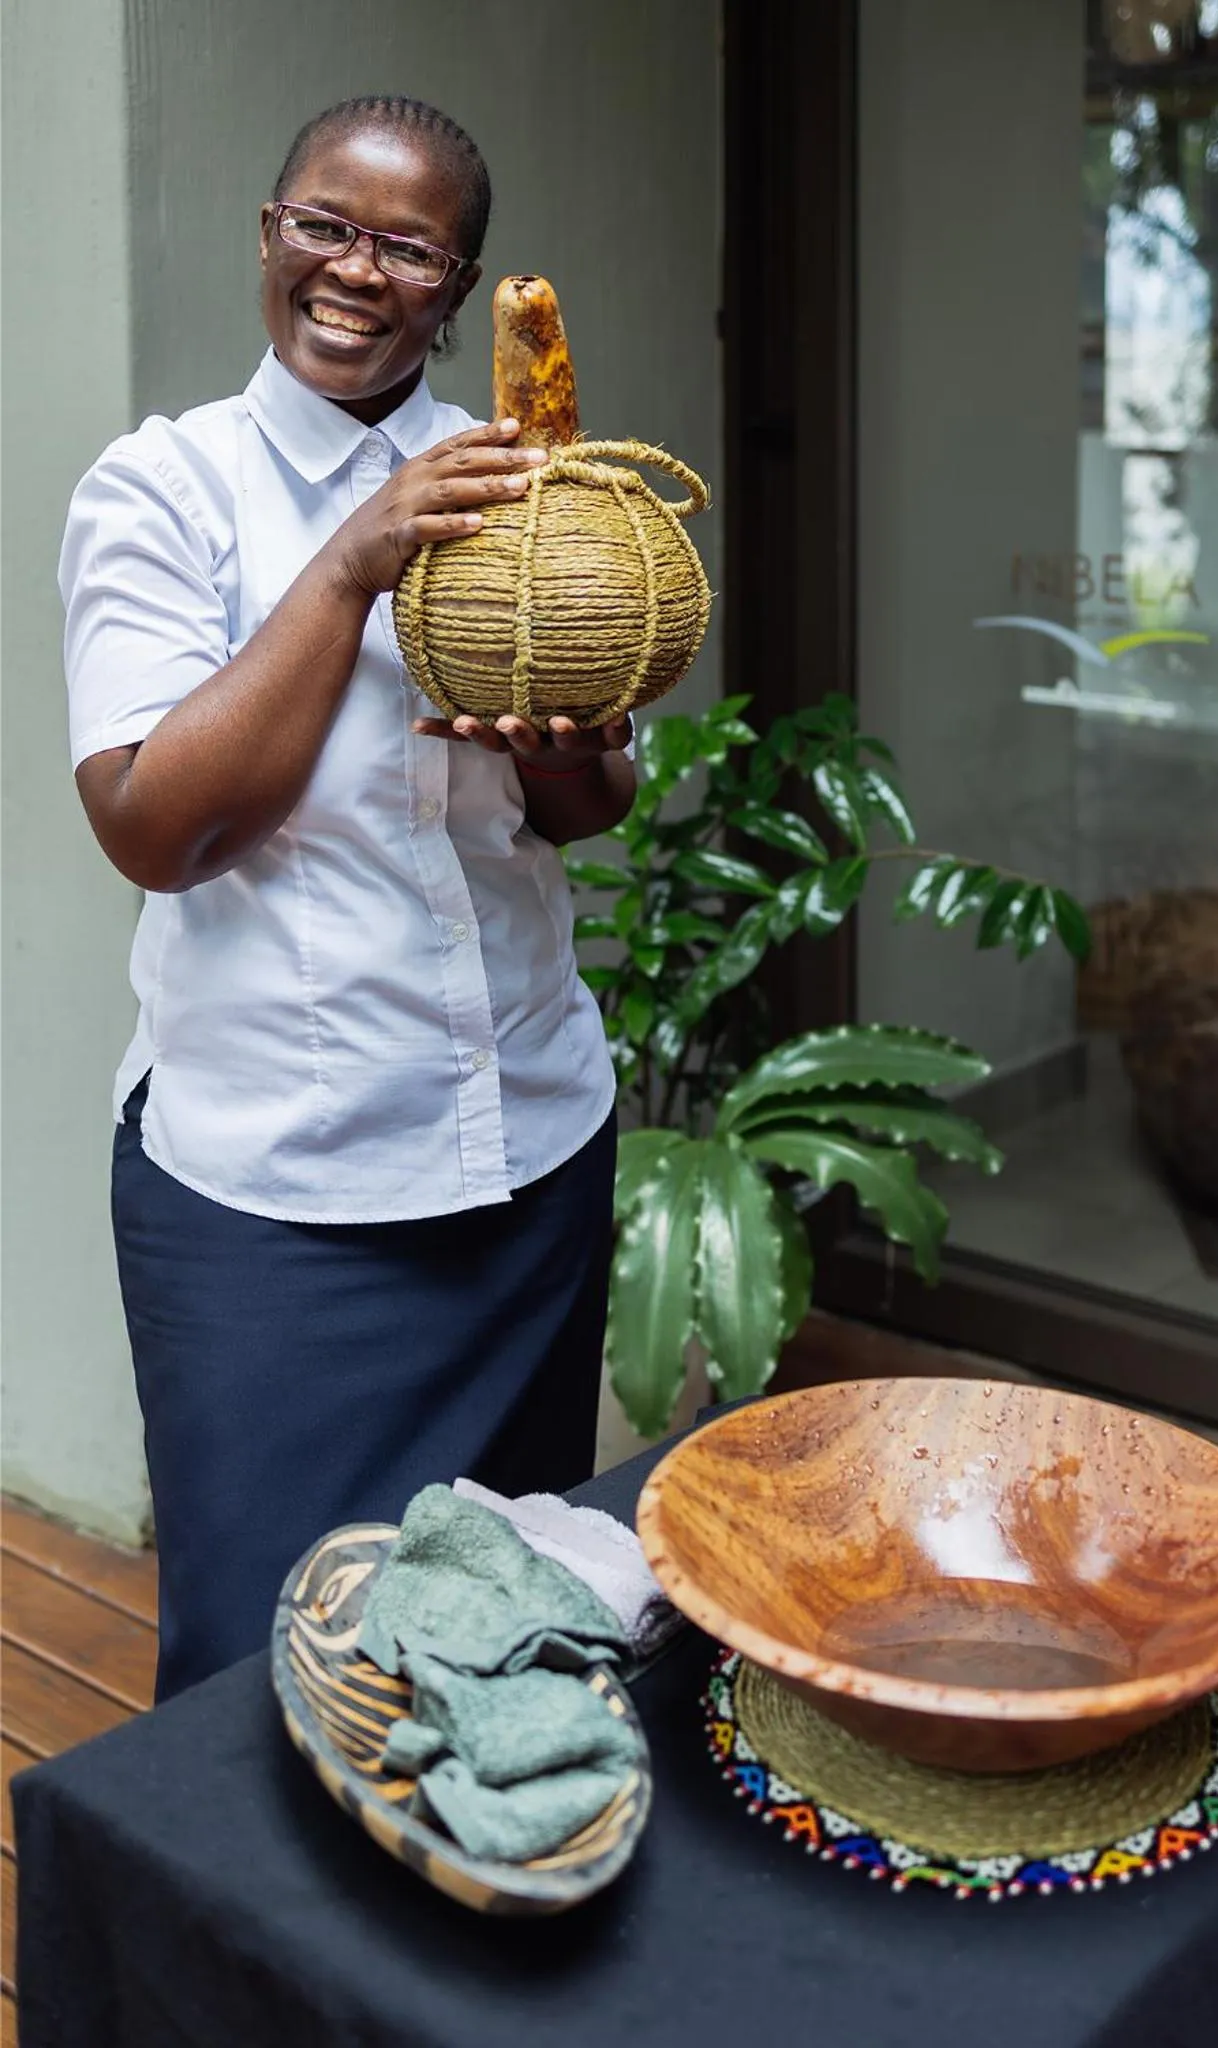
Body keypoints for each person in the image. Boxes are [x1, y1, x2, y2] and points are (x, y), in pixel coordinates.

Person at [60, 95, 636, 1702]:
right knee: (260, 1681)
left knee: (507, 1643)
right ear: (268, 233)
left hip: (528, 1153)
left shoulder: (525, 483)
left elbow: (584, 808)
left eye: (407, 246)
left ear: (458, 291)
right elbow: (156, 828)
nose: (355, 270)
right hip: (276, 1200)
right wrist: (347, 563)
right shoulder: (163, 491)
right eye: (325, 224)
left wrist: (574, 737)